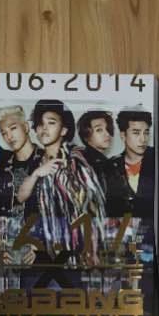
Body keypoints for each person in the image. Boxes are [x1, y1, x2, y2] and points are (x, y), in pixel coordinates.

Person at [17, 99, 106, 266]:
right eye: (40, 124)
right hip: (40, 252)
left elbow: (86, 208)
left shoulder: (78, 159)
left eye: (51, 123)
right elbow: (20, 197)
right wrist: (37, 173)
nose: (44, 128)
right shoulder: (35, 161)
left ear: (64, 130)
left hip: (73, 253)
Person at [105, 109, 154, 217]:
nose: (143, 139)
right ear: (123, 135)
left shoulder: (158, 160)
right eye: (136, 133)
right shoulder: (111, 166)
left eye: (146, 132)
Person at [76, 110, 113, 177]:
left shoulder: (103, 161)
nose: (107, 134)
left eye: (107, 129)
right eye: (99, 130)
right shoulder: (83, 162)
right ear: (86, 136)